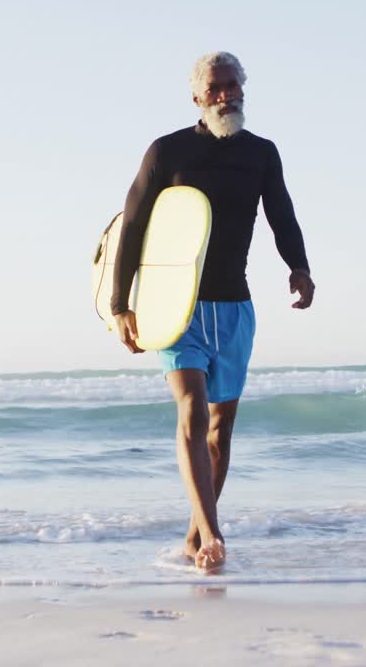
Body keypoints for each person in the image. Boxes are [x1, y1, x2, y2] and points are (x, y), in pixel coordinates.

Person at [110, 51, 315, 572]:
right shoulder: (167, 151)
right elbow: (132, 224)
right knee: (193, 410)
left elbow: (282, 214)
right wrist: (120, 305)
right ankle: (213, 533)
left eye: (233, 86)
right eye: (216, 88)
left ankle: (193, 535)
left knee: (220, 432)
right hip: (176, 308)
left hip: (234, 306)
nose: (226, 95)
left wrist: (299, 267)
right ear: (197, 98)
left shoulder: (261, 154)